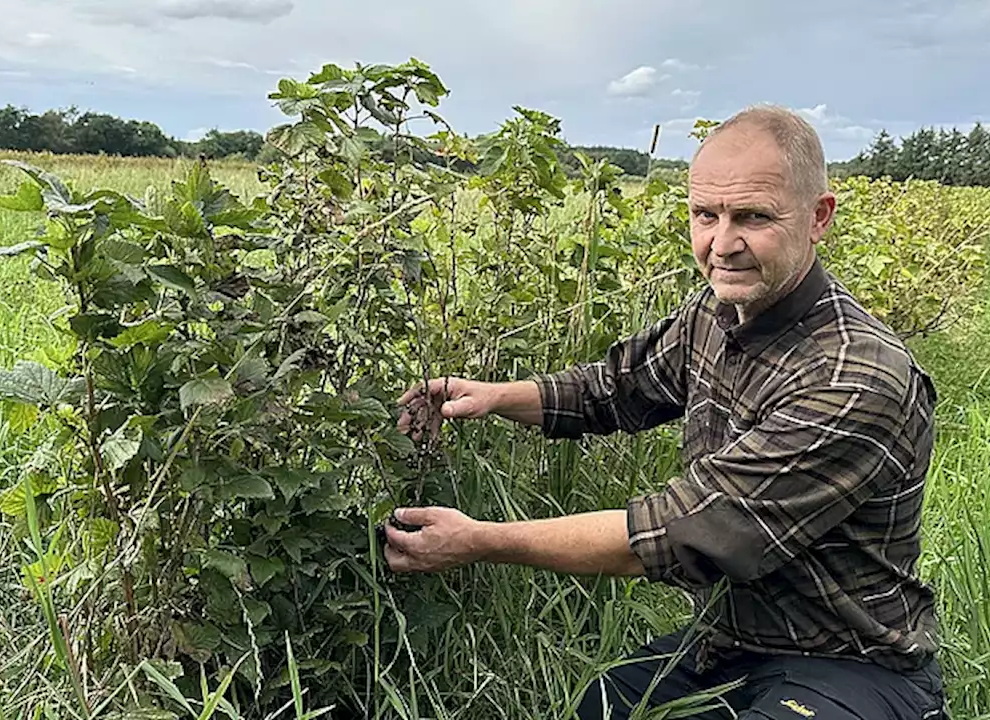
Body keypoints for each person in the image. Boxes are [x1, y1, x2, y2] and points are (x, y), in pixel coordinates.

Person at [384, 104, 947, 720]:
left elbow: (686, 531)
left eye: (753, 217)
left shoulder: (853, 376)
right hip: (728, 644)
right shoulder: (715, 313)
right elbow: (617, 388)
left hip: (849, 662)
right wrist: (494, 394)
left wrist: (479, 541)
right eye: (706, 215)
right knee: (596, 706)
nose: (722, 244)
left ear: (818, 218)